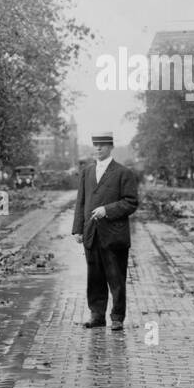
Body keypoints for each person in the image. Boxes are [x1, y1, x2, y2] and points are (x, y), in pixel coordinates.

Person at [72, 131, 139, 330]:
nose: (98, 149)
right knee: (94, 277)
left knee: (116, 278)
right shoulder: (87, 172)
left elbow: (131, 202)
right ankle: (97, 315)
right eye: (96, 145)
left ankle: (117, 317)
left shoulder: (123, 173)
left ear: (110, 148)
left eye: (102, 145)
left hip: (114, 235)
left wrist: (107, 210)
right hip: (91, 234)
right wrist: (78, 229)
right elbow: (80, 201)